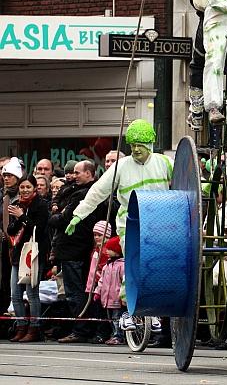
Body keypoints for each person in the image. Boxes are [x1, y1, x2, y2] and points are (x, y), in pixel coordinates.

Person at [65, 119, 173, 331]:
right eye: (132, 145)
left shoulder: (165, 162)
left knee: (159, 265)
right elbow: (97, 191)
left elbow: (188, 184)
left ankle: (156, 310)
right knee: (133, 263)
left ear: (150, 143)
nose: (136, 149)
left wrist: (205, 187)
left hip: (159, 223)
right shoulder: (120, 167)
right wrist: (78, 215)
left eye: (140, 145)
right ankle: (129, 312)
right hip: (130, 224)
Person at [50, 160, 105, 343]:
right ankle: (79, 328)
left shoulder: (84, 193)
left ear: (89, 173)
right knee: (72, 292)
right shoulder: (72, 189)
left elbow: (63, 219)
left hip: (75, 248)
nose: (73, 175)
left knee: (76, 293)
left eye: (77, 172)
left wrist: (56, 214)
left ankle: (81, 330)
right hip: (68, 248)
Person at [7, 174, 49, 342]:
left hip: (34, 254)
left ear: (34, 188)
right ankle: (21, 326)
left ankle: (34, 329)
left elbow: (38, 230)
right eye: (22, 187)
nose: (24, 190)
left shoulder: (42, 205)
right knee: (15, 295)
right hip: (19, 253)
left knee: (32, 294)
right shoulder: (16, 205)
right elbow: (11, 230)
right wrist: (18, 217)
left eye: (28, 187)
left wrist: (23, 216)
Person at [1, 158, 23, 316]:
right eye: (4, 175)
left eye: (10, 175)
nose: (6, 178)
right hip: (5, 244)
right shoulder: (5, 196)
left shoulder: (22, 195)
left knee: (19, 285)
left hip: (21, 243)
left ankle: (22, 320)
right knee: (5, 282)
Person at [94, 235, 125, 345]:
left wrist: (123, 296)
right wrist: (98, 292)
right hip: (106, 300)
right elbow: (101, 281)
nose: (107, 251)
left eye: (110, 249)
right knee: (111, 319)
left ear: (117, 251)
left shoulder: (122, 266)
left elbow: (124, 281)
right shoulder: (106, 266)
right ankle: (114, 334)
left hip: (117, 298)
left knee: (117, 318)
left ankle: (118, 336)